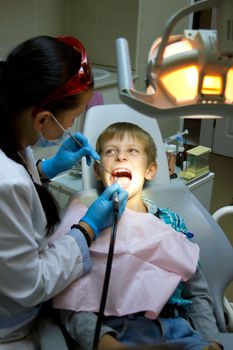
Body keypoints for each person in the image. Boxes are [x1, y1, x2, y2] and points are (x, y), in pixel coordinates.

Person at [0, 36, 128, 347]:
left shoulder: (14, 142)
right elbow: (32, 284)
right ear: (43, 118)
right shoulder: (8, 183)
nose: (73, 124)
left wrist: (46, 170)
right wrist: (87, 228)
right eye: (73, 116)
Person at [52, 122, 222, 350]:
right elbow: (72, 300)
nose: (121, 157)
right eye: (111, 152)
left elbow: (197, 291)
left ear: (150, 170)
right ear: (97, 170)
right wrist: (104, 340)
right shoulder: (84, 226)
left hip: (176, 329)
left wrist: (211, 340)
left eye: (132, 151)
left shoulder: (169, 223)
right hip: (115, 333)